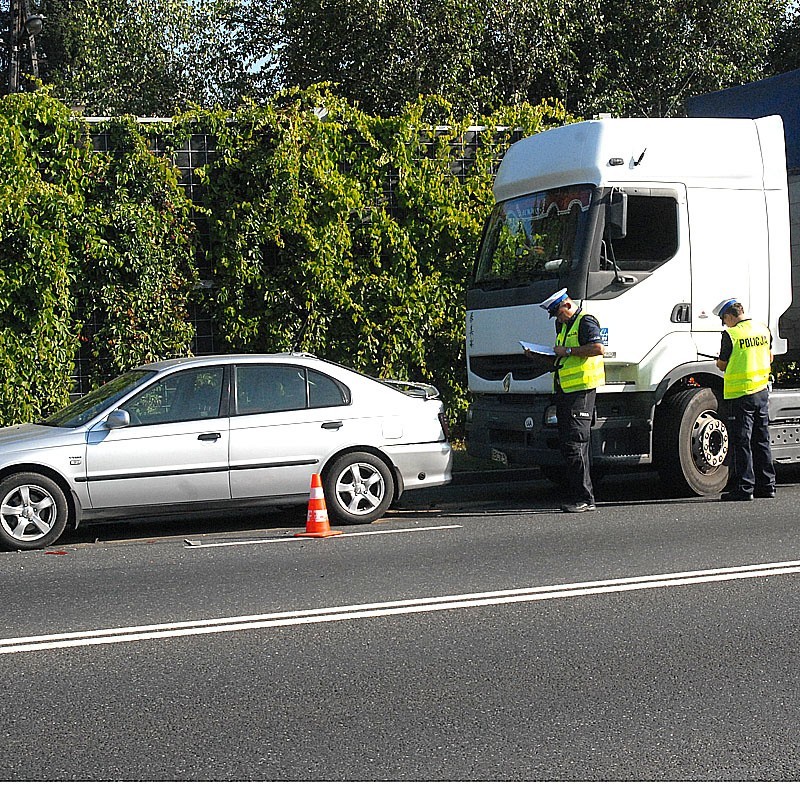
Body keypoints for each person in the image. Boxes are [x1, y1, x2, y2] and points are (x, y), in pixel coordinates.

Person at [532, 288, 605, 513]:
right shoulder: (564, 326)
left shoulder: (586, 321)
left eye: (558, 312)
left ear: (567, 304)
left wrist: (568, 350)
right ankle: (579, 495)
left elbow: (597, 348)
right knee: (570, 445)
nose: (558, 318)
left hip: (581, 392)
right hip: (567, 391)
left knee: (576, 444)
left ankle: (585, 499)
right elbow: (562, 361)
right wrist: (537, 356)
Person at [713, 298, 776, 501]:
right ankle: (767, 486)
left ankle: (744, 487)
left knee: (741, 442)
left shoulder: (731, 334)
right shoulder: (762, 328)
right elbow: (770, 357)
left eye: (724, 319)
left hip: (741, 395)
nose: (725, 324)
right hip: (761, 391)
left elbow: (722, 365)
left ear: (730, 316)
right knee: (762, 440)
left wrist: (719, 362)